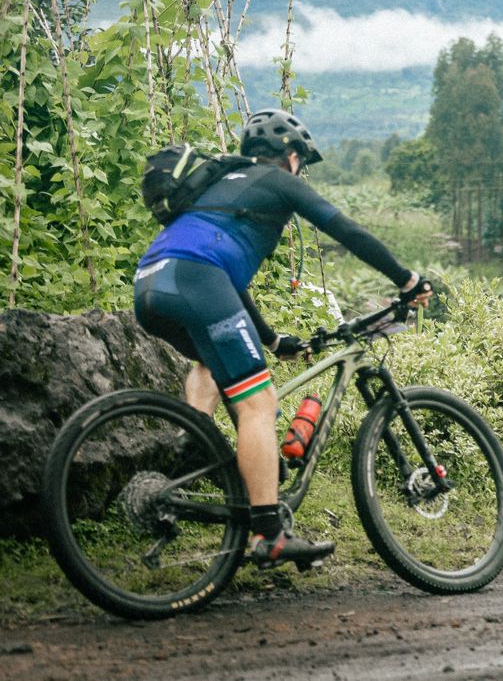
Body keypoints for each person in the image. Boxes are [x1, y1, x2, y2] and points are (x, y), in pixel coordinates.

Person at [133, 109, 432, 569]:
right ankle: (270, 533)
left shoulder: (218, 183)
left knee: (211, 361)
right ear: (290, 156)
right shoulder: (278, 182)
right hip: (199, 281)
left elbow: (229, 283)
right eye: (301, 161)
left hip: (153, 285)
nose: (301, 169)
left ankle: (193, 440)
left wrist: (272, 341)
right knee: (259, 402)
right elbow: (346, 231)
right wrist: (406, 278)